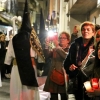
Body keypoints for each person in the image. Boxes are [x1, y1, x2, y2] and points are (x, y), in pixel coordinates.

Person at [4, 0, 44, 100]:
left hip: (16, 66)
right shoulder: (34, 38)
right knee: (29, 90)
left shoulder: (14, 38)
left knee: (17, 89)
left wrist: (6, 66)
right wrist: (40, 65)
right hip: (31, 65)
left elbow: (9, 55)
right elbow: (39, 55)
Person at [63, 21, 95, 100]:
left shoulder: (96, 46)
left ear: (93, 32)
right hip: (76, 81)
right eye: (83, 29)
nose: (85, 31)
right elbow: (66, 63)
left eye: (88, 29)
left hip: (90, 80)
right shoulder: (75, 45)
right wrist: (70, 67)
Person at [43, 31, 70, 100]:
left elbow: (66, 57)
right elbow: (46, 56)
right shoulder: (55, 49)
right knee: (53, 97)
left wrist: (57, 47)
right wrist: (46, 45)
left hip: (63, 76)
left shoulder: (70, 49)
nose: (61, 39)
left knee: (64, 96)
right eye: (60, 38)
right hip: (53, 75)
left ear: (68, 40)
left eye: (64, 38)